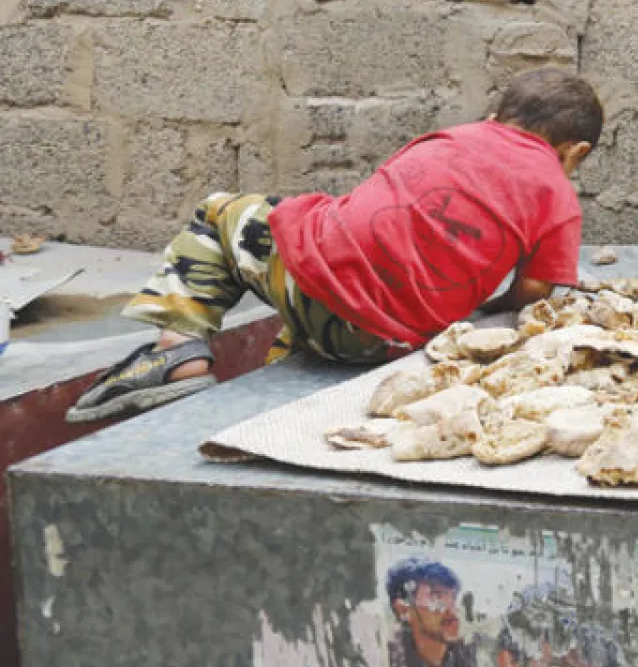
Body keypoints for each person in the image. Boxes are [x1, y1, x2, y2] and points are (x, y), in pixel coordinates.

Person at [67, 68, 603, 423]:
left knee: (220, 213)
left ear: (494, 117)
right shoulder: (557, 195)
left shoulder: (451, 137)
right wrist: (492, 304)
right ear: (574, 151)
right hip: (384, 344)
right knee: (353, 283)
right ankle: (277, 366)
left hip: (315, 288)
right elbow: (535, 293)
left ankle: (175, 352)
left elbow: (382, 209)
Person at [385, 557, 479, 667]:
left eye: (453, 597)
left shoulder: (462, 656)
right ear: (403, 609)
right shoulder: (388, 666)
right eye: (436, 596)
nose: (451, 608)